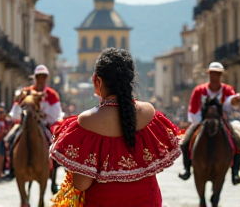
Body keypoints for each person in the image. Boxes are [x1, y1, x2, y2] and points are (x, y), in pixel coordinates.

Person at [50, 48, 180, 207]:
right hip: (148, 201)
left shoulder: (86, 122)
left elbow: (82, 184)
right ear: (130, 80)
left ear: (98, 81)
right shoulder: (149, 113)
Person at [179, 62, 240, 185]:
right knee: (185, 141)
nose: (215, 76)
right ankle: (186, 168)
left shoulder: (227, 89)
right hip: (201, 121)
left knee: (238, 141)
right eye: (213, 73)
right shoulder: (199, 90)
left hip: (222, 121)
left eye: (218, 74)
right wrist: (199, 121)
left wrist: (234, 101)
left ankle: (235, 173)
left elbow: (231, 105)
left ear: (221, 75)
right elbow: (193, 109)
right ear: (209, 74)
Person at [7, 64, 62, 179]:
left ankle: (54, 173)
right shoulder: (25, 93)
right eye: (38, 77)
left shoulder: (52, 95)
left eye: (43, 77)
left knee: (57, 144)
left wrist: (43, 115)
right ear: (35, 78)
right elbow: (15, 111)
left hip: (44, 123)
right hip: (25, 123)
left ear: (46, 78)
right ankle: (12, 167)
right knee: (10, 139)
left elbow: (56, 114)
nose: (41, 80)